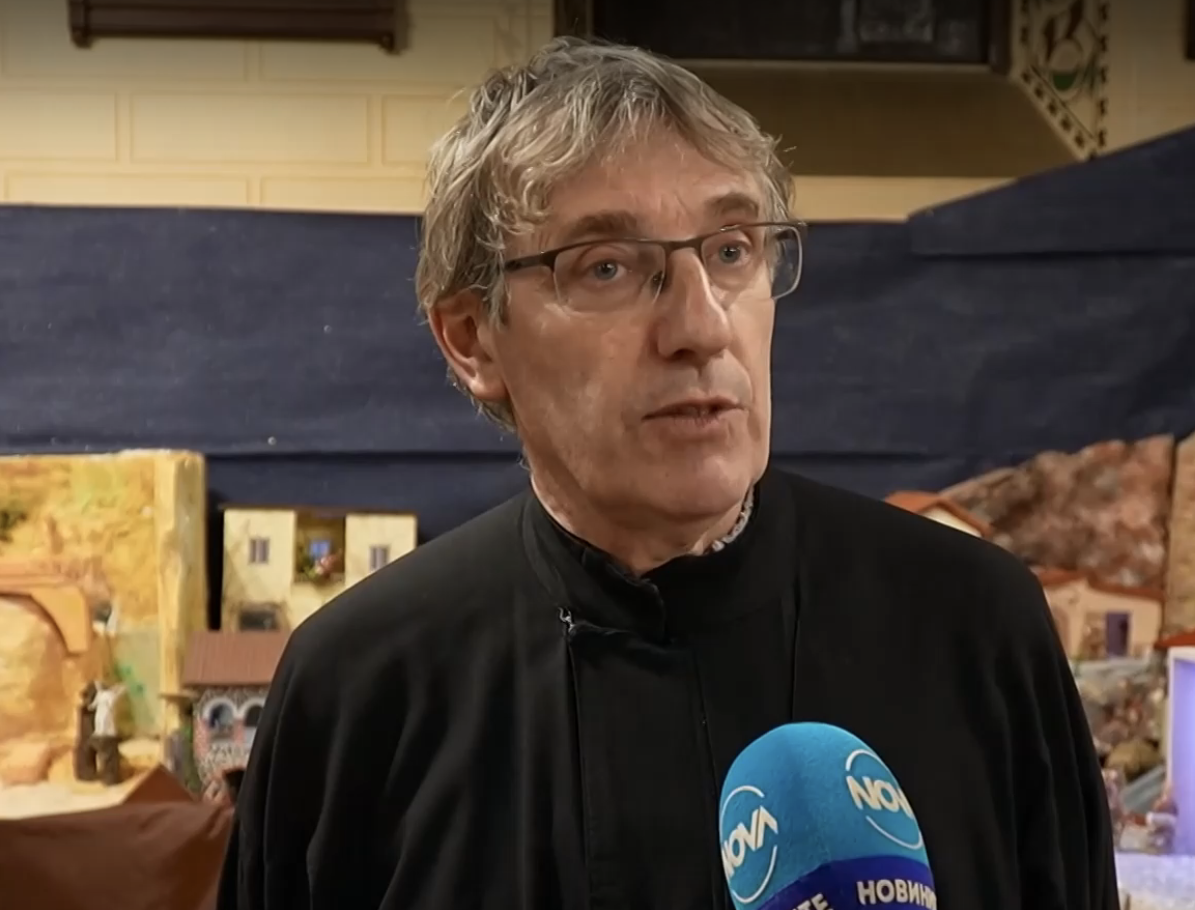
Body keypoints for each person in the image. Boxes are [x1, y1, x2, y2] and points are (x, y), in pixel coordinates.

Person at [217, 37, 1118, 910]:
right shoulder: (357, 691)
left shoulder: (976, 631)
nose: (702, 326)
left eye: (731, 251)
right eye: (607, 266)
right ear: (473, 338)